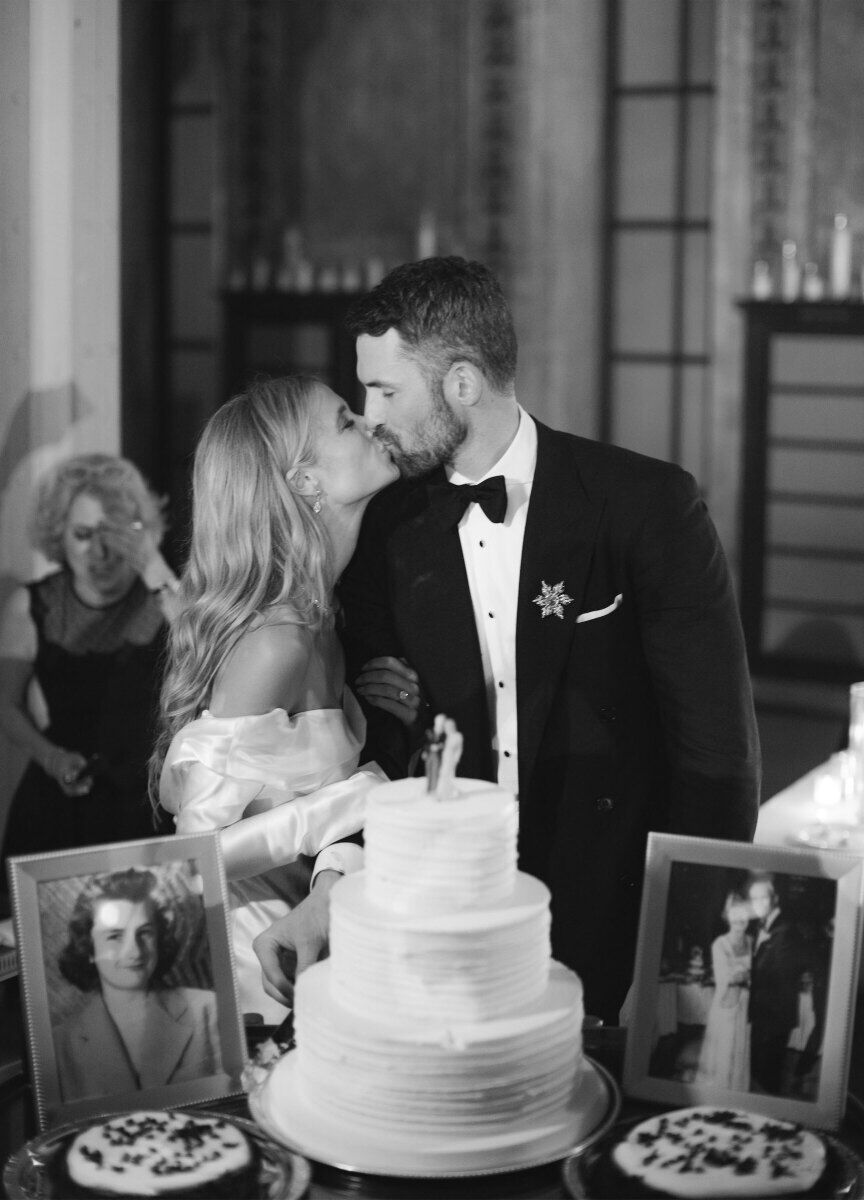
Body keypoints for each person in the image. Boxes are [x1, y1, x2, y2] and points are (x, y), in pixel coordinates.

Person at [254, 255, 761, 1024]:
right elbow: (379, 752)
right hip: (445, 917)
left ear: (462, 384)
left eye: (387, 390)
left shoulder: (646, 505)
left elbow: (717, 756)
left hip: (617, 907)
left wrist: (683, 951)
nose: (371, 414)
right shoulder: (386, 529)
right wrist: (335, 885)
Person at [151, 375, 411, 1023]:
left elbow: (296, 777)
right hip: (253, 955)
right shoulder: (278, 645)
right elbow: (192, 861)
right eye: (346, 421)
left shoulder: (324, 618)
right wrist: (354, 795)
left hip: (319, 922)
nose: (370, 422)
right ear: (305, 483)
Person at [0, 454, 179, 893]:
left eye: (112, 536)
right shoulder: (32, 606)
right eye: (82, 536)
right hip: (56, 807)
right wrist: (51, 758)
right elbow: (5, 704)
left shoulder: (164, 598)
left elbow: (213, 655)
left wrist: (153, 565)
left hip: (147, 806)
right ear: (58, 535)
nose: (98, 553)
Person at [53, 868, 221, 1101]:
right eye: (115, 936)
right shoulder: (60, 1043)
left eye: (145, 933)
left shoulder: (207, 1008)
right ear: (88, 948)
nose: (134, 951)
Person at [747, 872, 802, 1095]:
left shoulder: (785, 932)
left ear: (775, 899)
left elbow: (780, 982)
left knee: (766, 1079)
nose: (758, 904)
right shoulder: (762, 928)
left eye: (763, 898)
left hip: (773, 1020)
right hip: (764, 1018)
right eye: (754, 899)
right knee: (759, 1075)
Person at [695, 892, 752, 1091]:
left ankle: (736, 1094)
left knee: (740, 1052)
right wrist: (747, 974)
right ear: (727, 916)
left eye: (744, 913)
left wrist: (743, 975)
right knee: (724, 1054)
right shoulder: (719, 944)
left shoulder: (753, 942)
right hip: (726, 1006)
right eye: (735, 914)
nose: (740, 919)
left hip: (745, 1006)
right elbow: (725, 979)